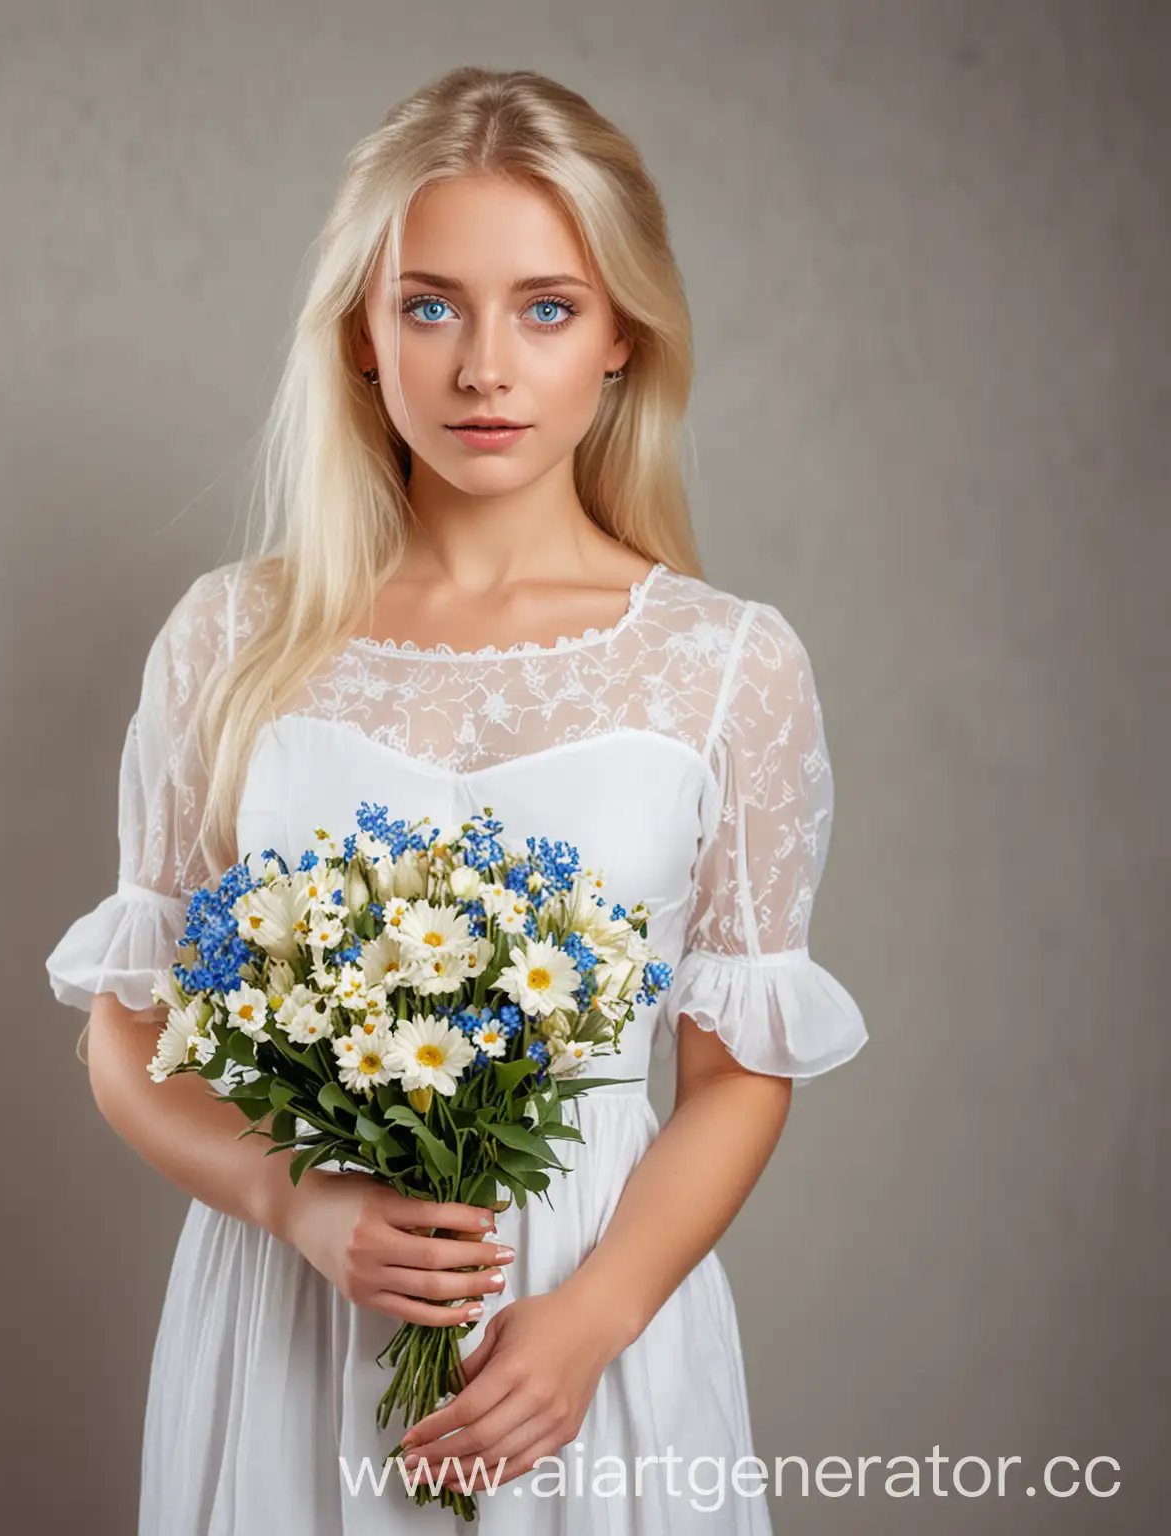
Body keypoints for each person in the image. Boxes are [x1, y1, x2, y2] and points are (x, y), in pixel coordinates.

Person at [44, 65, 868, 1534]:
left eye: (546, 308)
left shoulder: (728, 662)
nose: (485, 366)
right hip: (291, 1312)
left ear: (622, 336)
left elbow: (740, 1067)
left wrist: (594, 1323)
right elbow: (126, 1027)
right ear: (363, 337)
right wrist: (296, 1204)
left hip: (578, 1333)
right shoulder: (232, 638)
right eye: (430, 305)